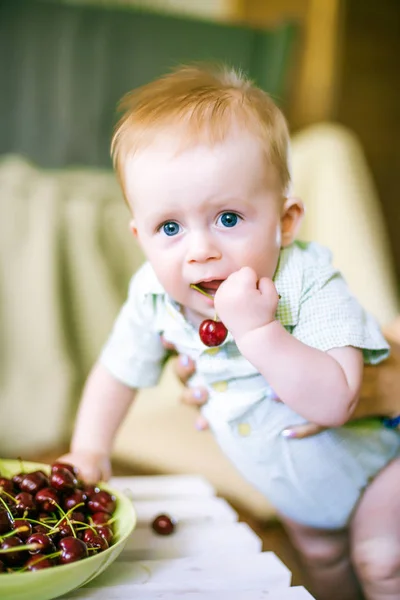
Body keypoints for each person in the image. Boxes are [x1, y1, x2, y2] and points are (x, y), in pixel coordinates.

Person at [59, 65, 400, 600]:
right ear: (140, 236)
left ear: (285, 222)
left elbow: (336, 401)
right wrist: (89, 450)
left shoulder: (309, 280)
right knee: (323, 562)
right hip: (297, 492)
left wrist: (258, 330)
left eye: (228, 218)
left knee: (381, 562)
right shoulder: (153, 294)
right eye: (169, 228)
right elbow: (114, 371)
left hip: (380, 467)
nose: (200, 249)